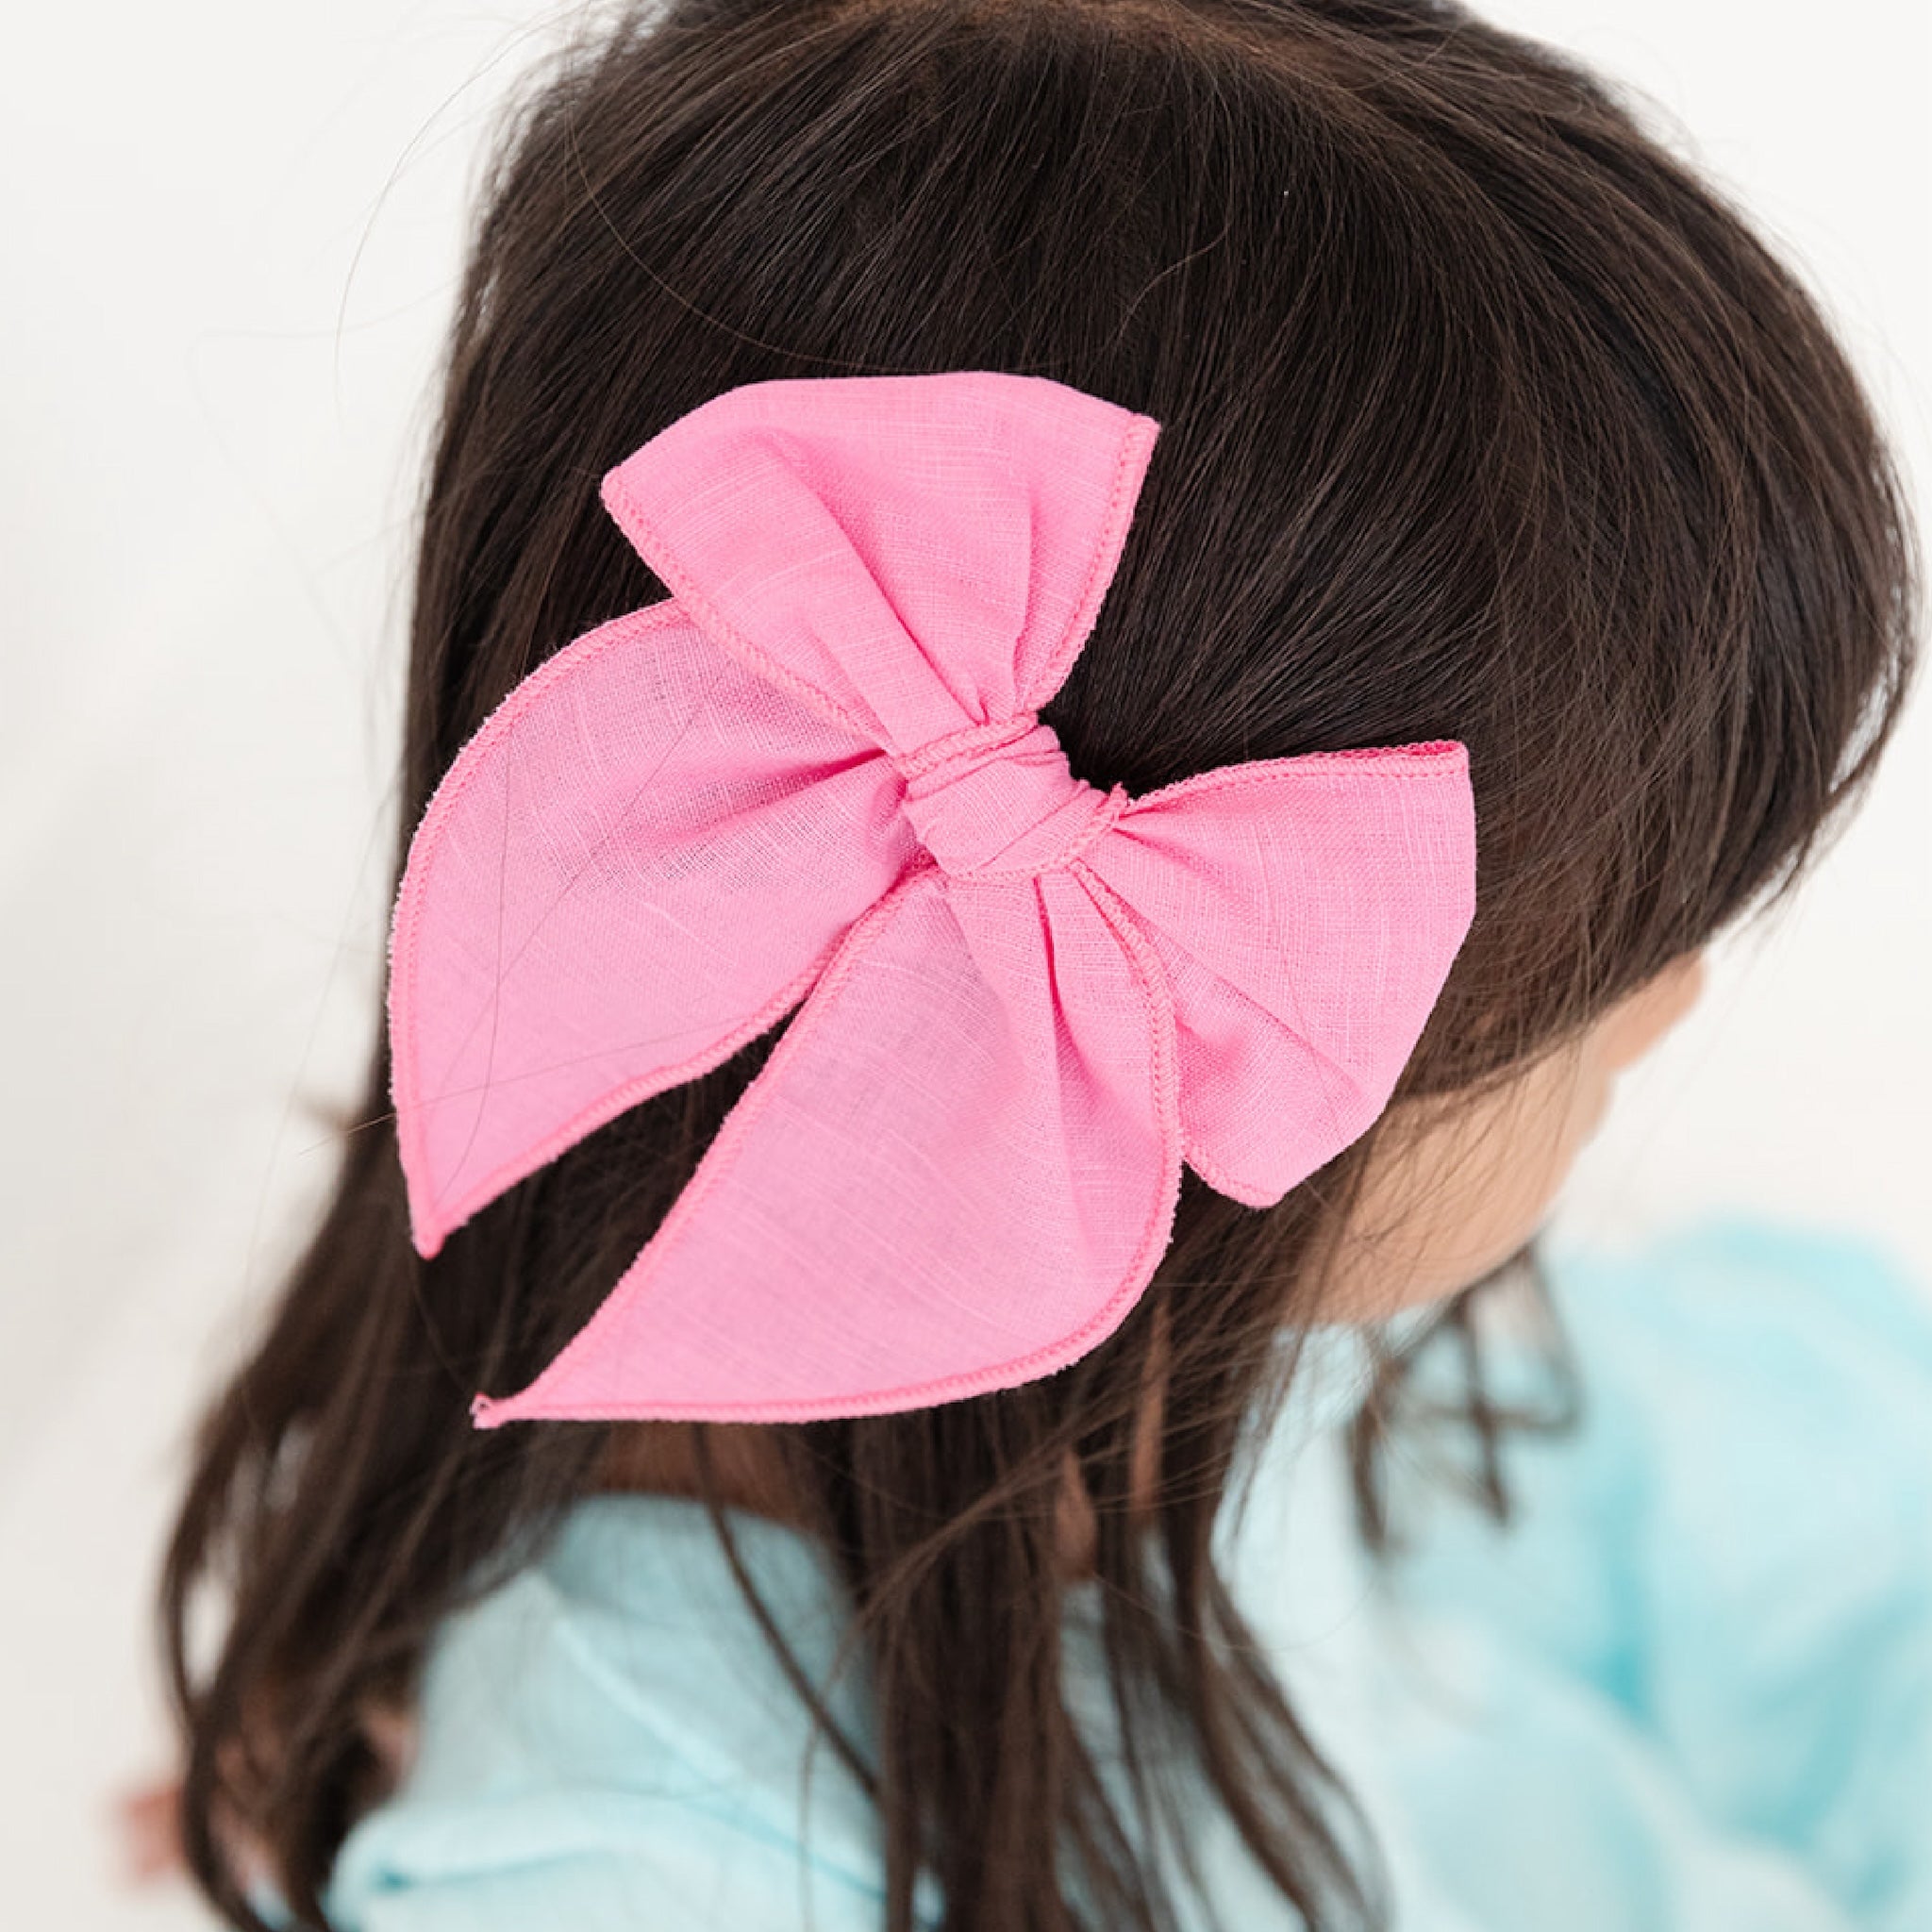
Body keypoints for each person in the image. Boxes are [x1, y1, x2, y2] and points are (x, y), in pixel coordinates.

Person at [141, 1, 1930, 1928]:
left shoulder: (1175, 1327)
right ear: (1106, 1027)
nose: (1669, 1008)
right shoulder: (657, 1876)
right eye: (1600, 977)